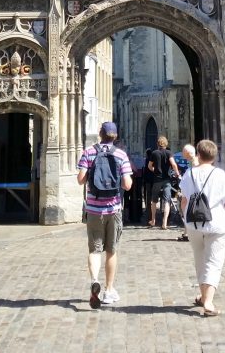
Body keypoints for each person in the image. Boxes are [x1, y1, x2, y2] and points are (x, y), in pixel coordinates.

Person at [179, 138, 225, 316]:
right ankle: (208, 302)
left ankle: (203, 296)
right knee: (214, 262)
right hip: (215, 224)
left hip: (193, 225)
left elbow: (184, 201)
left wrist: (185, 220)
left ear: (198, 155)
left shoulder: (189, 174)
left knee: (200, 261)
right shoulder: (219, 175)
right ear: (214, 157)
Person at [77, 121, 133, 308]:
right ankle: (109, 290)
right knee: (111, 251)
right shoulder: (120, 154)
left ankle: (95, 280)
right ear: (115, 136)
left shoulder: (89, 152)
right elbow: (127, 184)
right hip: (113, 209)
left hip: (93, 210)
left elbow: (80, 180)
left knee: (94, 250)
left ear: (100, 134)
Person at [148, 135, 182, 230]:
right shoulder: (169, 153)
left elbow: (149, 166)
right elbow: (173, 164)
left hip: (157, 179)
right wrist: (177, 173)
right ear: (166, 144)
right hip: (167, 180)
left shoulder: (154, 153)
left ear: (158, 144)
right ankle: (164, 223)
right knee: (167, 201)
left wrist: (155, 170)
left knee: (154, 201)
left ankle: (153, 220)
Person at [177, 144, 198, 242]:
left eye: (183, 152)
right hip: (192, 193)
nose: (182, 154)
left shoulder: (194, 164)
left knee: (187, 211)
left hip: (192, 194)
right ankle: (187, 233)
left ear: (188, 153)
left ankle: (188, 233)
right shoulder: (193, 162)